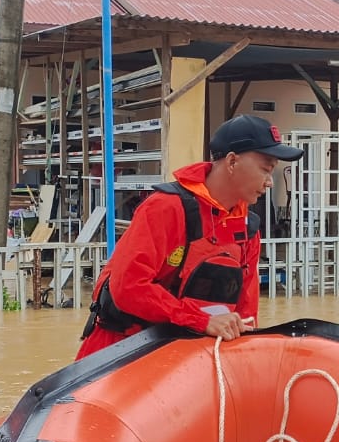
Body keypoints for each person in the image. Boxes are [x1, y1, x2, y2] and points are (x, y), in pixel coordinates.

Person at [76, 114, 302, 360]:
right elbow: (128, 287)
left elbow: (246, 312)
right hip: (123, 348)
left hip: (192, 356)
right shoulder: (166, 208)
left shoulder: (247, 228)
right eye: (265, 169)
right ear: (232, 161)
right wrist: (200, 320)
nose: (270, 182)